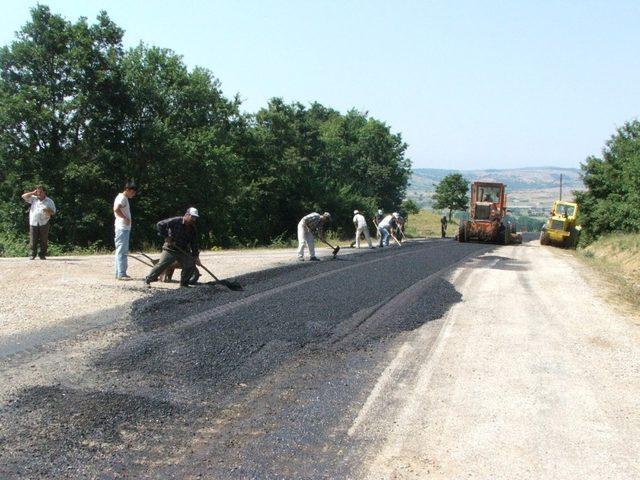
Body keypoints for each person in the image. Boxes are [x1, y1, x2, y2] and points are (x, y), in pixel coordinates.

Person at [144, 207, 201, 288]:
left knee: (190, 263)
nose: (194, 219)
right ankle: (148, 280)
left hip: (183, 250)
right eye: (192, 217)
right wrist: (166, 237)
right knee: (162, 265)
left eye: (195, 218)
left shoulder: (192, 228)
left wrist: (196, 257)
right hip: (170, 249)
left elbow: (194, 244)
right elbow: (160, 225)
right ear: (187, 215)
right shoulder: (176, 221)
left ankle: (184, 284)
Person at [21, 186, 56, 260]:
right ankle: (32, 255)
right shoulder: (33, 198)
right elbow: (23, 196)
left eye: (40, 191)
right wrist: (32, 193)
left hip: (44, 222)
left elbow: (53, 212)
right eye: (37, 191)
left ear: (44, 192)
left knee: (44, 240)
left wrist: (48, 210)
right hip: (33, 222)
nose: (39, 193)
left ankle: (42, 255)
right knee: (33, 240)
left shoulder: (49, 201)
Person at [113, 181, 138, 280]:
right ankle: (121, 274)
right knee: (122, 251)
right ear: (127, 190)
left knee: (121, 250)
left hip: (123, 228)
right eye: (132, 192)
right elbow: (116, 209)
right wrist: (125, 218)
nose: (133, 194)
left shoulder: (124, 198)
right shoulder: (122, 198)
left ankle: (119, 273)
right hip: (122, 228)